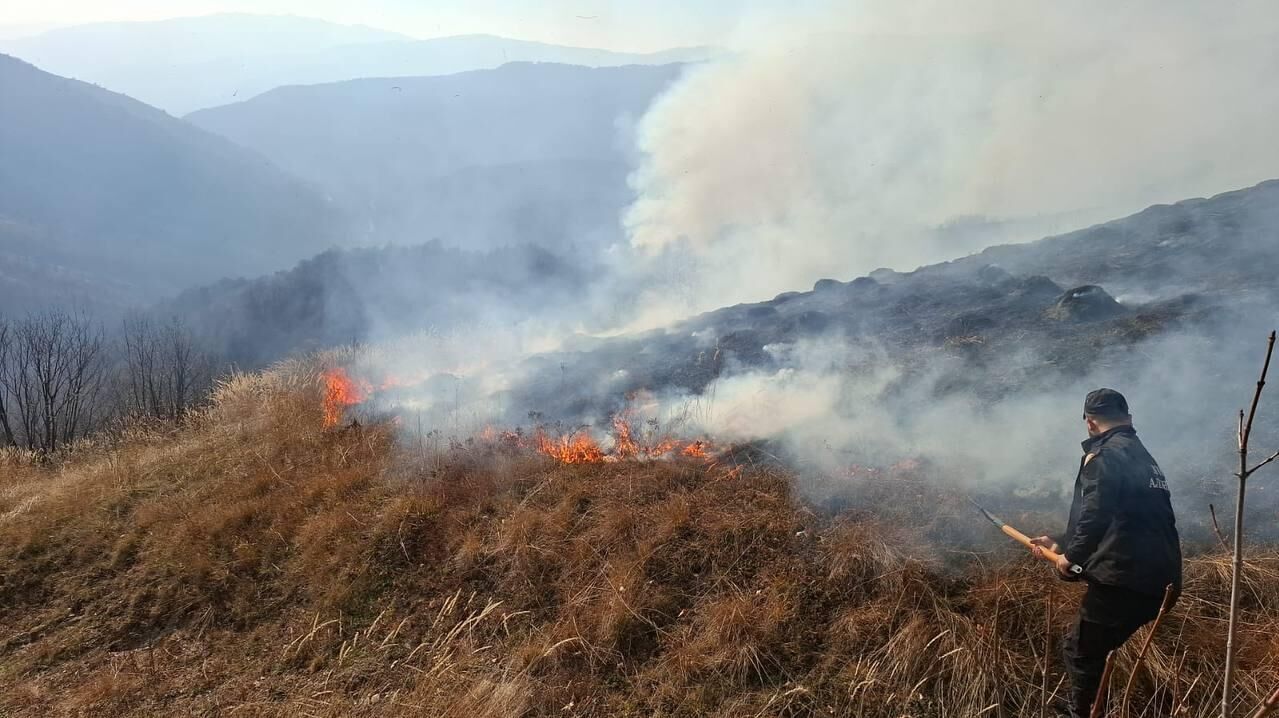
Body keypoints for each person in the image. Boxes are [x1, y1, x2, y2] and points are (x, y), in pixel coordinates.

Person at [1030, 388, 1182, 718]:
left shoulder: (1104, 457)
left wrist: (1071, 560)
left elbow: (1095, 514)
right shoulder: (1142, 456)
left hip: (1125, 579)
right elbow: (1124, 518)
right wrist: (1061, 541)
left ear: (1089, 422)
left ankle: (1083, 713)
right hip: (1161, 580)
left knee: (1081, 650)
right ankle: (1101, 705)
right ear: (1127, 416)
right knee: (1096, 647)